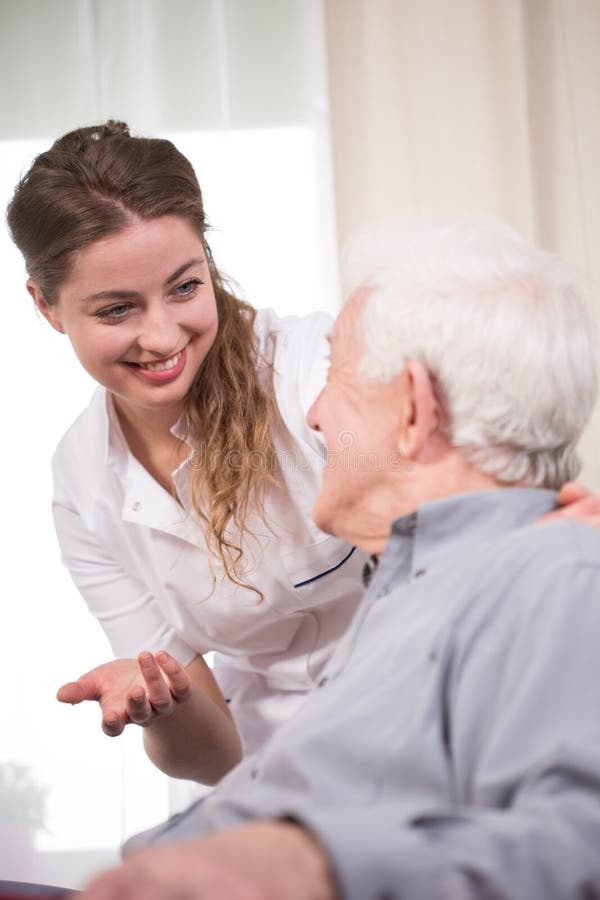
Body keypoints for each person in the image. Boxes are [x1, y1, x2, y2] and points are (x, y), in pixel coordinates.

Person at [6, 123, 598, 785]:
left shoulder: (315, 380)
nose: (163, 334)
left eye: (184, 287)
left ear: (206, 258)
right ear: (46, 305)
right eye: (117, 309)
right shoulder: (83, 484)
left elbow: (470, 524)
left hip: (428, 717)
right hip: (280, 772)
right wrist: (162, 706)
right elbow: (215, 757)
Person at [78, 220, 600, 900]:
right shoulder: (404, 593)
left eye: (339, 374)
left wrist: (309, 864)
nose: (316, 411)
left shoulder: (557, 572)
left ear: (414, 410)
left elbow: (580, 843)